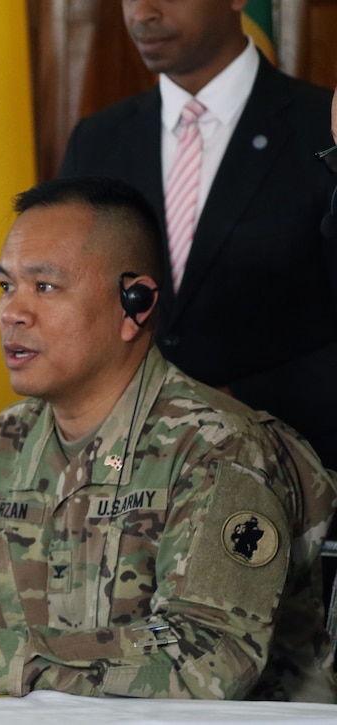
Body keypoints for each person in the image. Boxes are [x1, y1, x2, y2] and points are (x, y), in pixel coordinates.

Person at [0, 176, 337, 701]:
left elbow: (208, 661)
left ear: (135, 305)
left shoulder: (217, 448)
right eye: (6, 286)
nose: (12, 312)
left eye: (44, 287)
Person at [58, 0, 337, 470]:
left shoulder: (322, 130)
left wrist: (219, 406)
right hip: (121, 482)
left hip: (289, 473)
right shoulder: (98, 138)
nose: (141, 13)